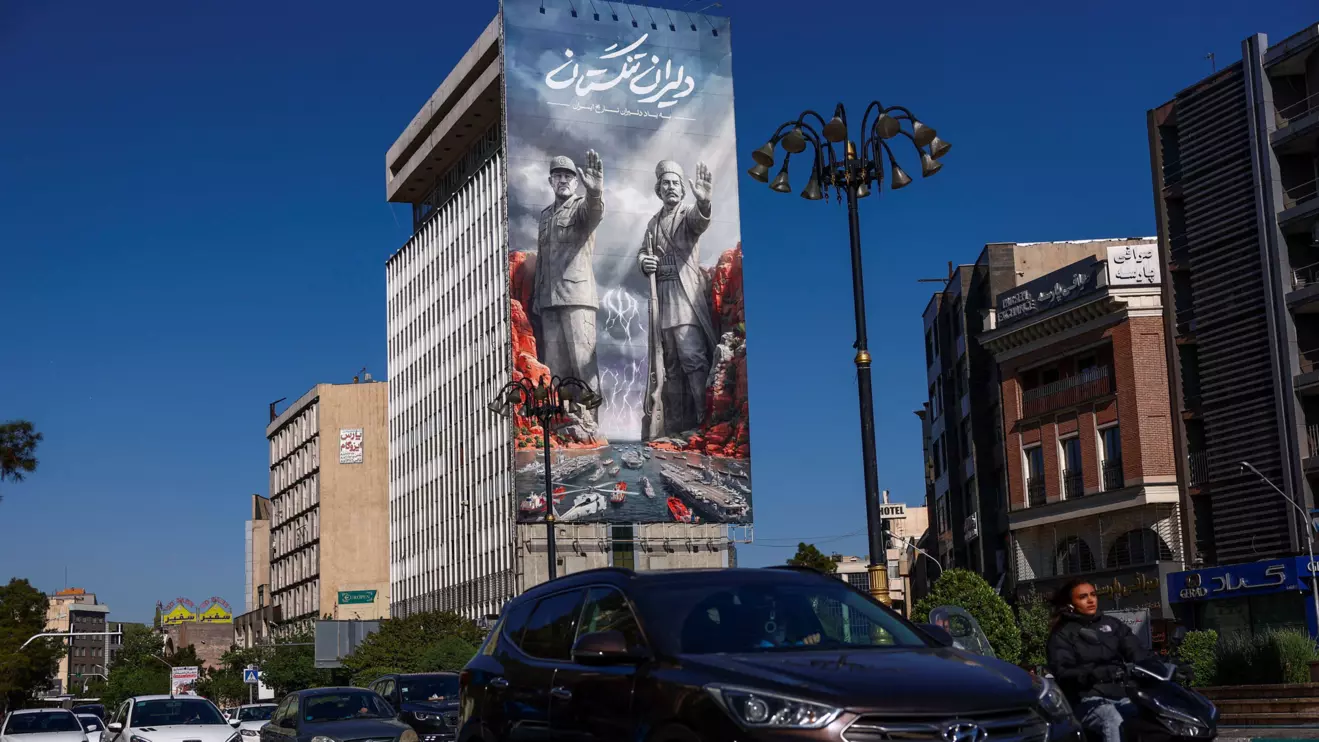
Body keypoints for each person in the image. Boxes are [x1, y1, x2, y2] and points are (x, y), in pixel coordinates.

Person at [638, 160, 718, 437]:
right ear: (658, 189)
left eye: (675, 183)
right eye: (665, 183)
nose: (670, 187)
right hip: (662, 296)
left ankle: (703, 420)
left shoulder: (686, 215)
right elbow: (643, 251)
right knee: (670, 366)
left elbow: (700, 221)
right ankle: (676, 424)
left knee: (693, 359)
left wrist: (705, 203)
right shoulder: (652, 222)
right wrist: (644, 261)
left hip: (685, 297)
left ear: (682, 189)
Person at [532, 151, 605, 427]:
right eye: (558, 176)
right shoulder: (545, 216)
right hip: (549, 300)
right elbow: (542, 259)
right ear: (551, 181)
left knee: (583, 365)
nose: (563, 180)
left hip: (578, 298)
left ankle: (592, 425)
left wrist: (595, 192)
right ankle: (564, 424)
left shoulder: (581, 208)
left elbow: (594, 213)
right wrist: (538, 298)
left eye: (568, 176)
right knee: (556, 369)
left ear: (576, 182)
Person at [1047, 578, 1147, 742]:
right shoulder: (1063, 634)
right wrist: (1092, 674)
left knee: (1150, 714)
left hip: (1122, 694)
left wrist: (1167, 668)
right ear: (1071, 604)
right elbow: (1062, 670)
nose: (1091, 600)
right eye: (1083, 597)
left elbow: (1138, 651)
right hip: (1085, 700)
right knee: (1111, 718)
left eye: (1093, 594)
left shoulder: (1113, 625)